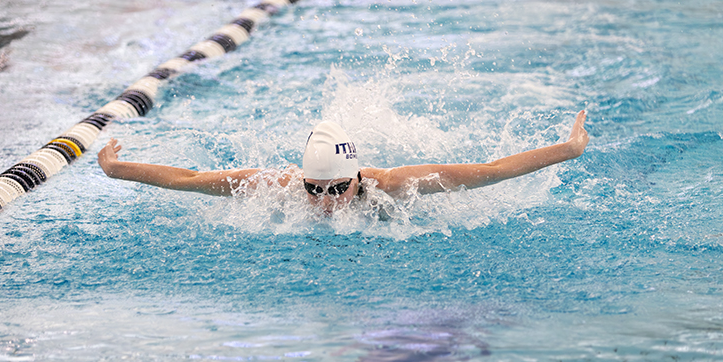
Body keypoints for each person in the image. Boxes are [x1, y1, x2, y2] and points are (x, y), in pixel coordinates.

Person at [97, 110, 589, 214]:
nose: (325, 201)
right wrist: (117, 169)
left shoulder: (394, 186)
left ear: (356, 177)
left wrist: (568, 150)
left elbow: (494, 170)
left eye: (337, 189)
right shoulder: (280, 185)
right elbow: (190, 180)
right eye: (315, 189)